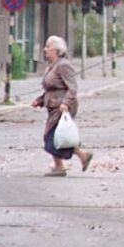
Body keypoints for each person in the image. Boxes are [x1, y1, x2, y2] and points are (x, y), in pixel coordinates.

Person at [31, 35, 92, 177]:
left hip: (62, 106)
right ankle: (80, 157)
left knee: (51, 138)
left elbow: (72, 88)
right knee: (57, 137)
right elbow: (51, 88)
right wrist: (40, 100)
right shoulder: (52, 66)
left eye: (48, 46)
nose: (45, 49)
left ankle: (62, 165)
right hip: (53, 105)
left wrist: (65, 103)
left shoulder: (63, 65)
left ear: (57, 50)